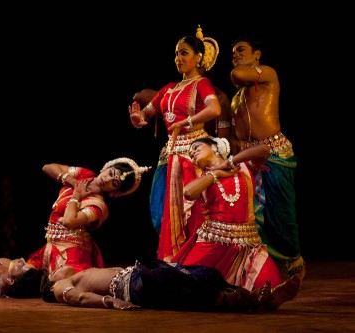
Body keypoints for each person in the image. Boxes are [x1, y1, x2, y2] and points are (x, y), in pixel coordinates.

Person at [128, 25, 221, 262]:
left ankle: (192, 264)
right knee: (161, 214)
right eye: (177, 53)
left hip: (192, 155)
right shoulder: (169, 89)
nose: (178, 58)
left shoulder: (201, 84)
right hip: (168, 156)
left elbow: (214, 108)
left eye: (184, 53)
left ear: (198, 57)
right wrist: (138, 120)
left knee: (190, 214)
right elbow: (147, 114)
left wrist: (186, 122)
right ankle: (172, 263)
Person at [230, 35, 304, 280]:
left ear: (257, 54)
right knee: (249, 218)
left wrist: (237, 69)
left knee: (281, 213)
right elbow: (232, 134)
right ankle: (258, 272)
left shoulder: (267, 75)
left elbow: (239, 75)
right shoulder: (236, 98)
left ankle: (294, 260)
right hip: (247, 159)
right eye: (233, 53)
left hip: (274, 154)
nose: (236, 55)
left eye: (241, 50)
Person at [171, 137, 283, 290]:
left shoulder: (244, 167)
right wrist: (216, 174)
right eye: (191, 154)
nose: (193, 153)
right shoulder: (205, 179)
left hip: (246, 246)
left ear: (215, 147)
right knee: (184, 286)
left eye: (197, 147)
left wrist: (229, 162)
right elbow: (189, 193)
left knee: (270, 287)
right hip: (212, 244)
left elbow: (264, 150)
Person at [26, 157, 151, 273]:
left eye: (114, 183)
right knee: (17, 273)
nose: (107, 179)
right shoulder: (85, 175)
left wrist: (76, 194)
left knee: (58, 287)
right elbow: (47, 167)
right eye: (111, 173)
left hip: (71, 253)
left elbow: (69, 221)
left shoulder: (98, 206)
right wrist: (72, 181)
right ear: (106, 168)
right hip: (50, 247)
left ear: (115, 192)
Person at [40, 259, 301, 312]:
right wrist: (111, 302)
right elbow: (80, 298)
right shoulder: (59, 285)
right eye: (55, 268)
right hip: (134, 287)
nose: (61, 265)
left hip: (141, 272)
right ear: (51, 279)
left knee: (205, 273)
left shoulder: (77, 272)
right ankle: (246, 301)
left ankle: (256, 298)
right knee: (187, 289)